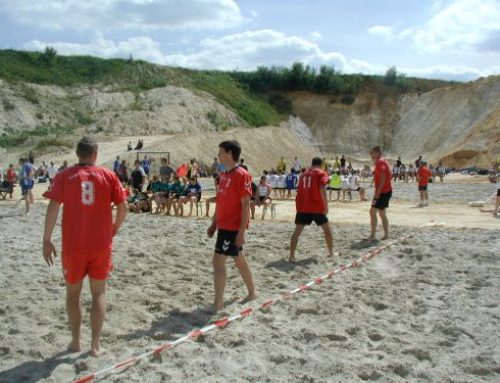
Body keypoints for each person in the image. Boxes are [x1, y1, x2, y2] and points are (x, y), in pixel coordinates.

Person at [42, 137, 127, 357]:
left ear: (77, 154)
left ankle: (76, 341)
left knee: (73, 294)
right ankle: (96, 345)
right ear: (95, 154)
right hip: (100, 244)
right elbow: (123, 206)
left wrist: (47, 238)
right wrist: (115, 227)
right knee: (99, 293)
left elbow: (53, 207)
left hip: (74, 244)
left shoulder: (64, 176)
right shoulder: (108, 175)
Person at [207, 140, 256, 312]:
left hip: (232, 227)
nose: (218, 155)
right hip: (223, 225)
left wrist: (241, 232)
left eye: (220, 151)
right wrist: (214, 223)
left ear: (229, 153)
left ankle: (218, 304)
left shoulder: (241, 175)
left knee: (218, 260)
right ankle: (252, 293)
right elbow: (221, 202)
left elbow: (245, 206)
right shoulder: (224, 175)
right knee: (239, 259)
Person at [289, 157, 334, 263]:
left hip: (303, 206)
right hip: (317, 206)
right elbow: (322, 188)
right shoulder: (321, 173)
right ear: (321, 164)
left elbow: (299, 190)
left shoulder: (303, 174)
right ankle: (331, 253)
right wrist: (326, 206)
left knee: (297, 232)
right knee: (327, 230)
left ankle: (291, 256)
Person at [367, 146, 392, 241]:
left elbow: (383, 177)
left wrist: (378, 192)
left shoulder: (380, 162)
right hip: (386, 191)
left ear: (378, 153)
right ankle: (386, 235)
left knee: (372, 212)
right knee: (382, 213)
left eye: (372, 153)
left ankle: (373, 236)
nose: (371, 154)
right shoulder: (383, 161)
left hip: (382, 192)